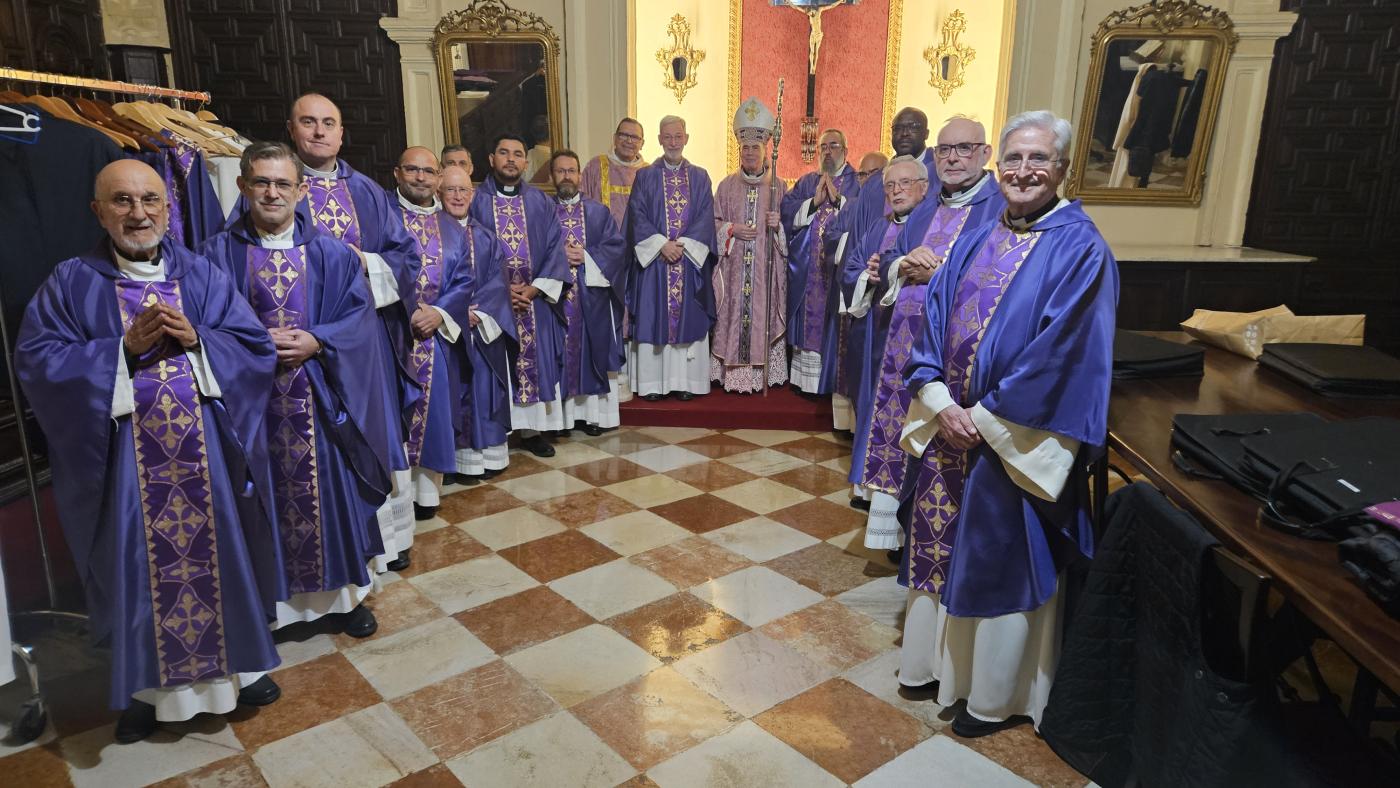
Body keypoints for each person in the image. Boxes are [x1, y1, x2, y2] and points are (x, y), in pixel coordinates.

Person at [17, 160, 284, 743]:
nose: (138, 213)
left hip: (205, 462)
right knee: (137, 571)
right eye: (122, 201)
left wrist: (200, 342)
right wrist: (119, 351)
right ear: (98, 211)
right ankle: (147, 693)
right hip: (126, 474)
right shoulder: (70, 282)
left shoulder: (205, 275)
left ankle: (234, 679)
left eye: (150, 200)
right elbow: (37, 363)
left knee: (221, 560)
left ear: (170, 206)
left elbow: (254, 350)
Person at [896, 110, 1118, 737]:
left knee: (1003, 556)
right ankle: (937, 671)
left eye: (1038, 160)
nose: (1023, 172)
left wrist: (984, 419)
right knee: (940, 551)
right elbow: (932, 319)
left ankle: (992, 696)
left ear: (1063, 169)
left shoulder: (1081, 249)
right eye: (1014, 160)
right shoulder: (976, 235)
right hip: (950, 429)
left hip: (1012, 442)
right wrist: (938, 401)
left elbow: (1065, 353)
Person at [201, 140, 390, 636]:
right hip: (253, 410)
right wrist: (253, 345)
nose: (271, 192)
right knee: (262, 498)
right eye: (261, 182)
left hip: (322, 403)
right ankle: (274, 607)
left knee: (332, 494)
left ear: (302, 190)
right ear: (242, 187)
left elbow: (360, 321)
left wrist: (317, 339)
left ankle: (343, 601)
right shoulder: (214, 255)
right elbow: (203, 328)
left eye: (283, 183)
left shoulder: (331, 254)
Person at [852, 117, 1005, 555]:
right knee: (900, 431)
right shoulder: (925, 208)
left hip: (954, 357)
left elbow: (1000, 279)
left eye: (964, 148)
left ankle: (939, 540)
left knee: (941, 447)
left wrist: (940, 273)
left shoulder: (998, 209)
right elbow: (892, 259)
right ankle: (900, 535)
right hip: (901, 351)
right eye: (945, 150)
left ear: (984, 153)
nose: (953, 158)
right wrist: (903, 265)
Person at [285, 92, 419, 575]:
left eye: (328, 123)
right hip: (296, 346)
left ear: (342, 133)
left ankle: (387, 539)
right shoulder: (277, 188)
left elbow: (406, 258)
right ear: (293, 129)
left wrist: (366, 262)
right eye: (308, 122)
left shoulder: (367, 192)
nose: (319, 132)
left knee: (374, 430)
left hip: (364, 342)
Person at [387, 147, 478, 534]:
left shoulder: (452, 228)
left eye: (428, 171)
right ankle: (396, 502)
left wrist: (438, 312)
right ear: (397, 173)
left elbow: (464, 279)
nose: (421, 177)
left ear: (439, 178)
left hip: (434, 338)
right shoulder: (384, 218)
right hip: (392, 335)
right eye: (413, 170)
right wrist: (404, 312)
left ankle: (426, 495)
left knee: (434, 414)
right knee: (394, 417)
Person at [470, 132, 570, 457]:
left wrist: (535, 288)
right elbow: (466, 251)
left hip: (533, 302)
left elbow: (556, 247)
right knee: (496, 366)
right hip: (493, 306)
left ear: (526, 162)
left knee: (534, 364)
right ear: (491, 160)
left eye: (517, 154)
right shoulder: (475, 201)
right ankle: (498, 431)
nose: (510, 159)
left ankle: (531, 432)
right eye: (503, 153)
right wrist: (500, 292)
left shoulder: (540, 202)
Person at [839, 156, 928, 511]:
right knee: (870, 405)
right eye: (890, 185)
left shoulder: (932, 226)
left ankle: (896, 500)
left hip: (910, 338)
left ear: (923, 187)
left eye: (904, 184)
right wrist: (868, 276)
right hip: (874, 333)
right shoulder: (878, 226)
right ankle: (867, 487)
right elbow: (853, 267)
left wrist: (894, 270)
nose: (896, 192)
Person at [626, 115, 717, 401]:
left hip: (688, 261)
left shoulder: (700, 176)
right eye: (668, 137)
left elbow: (705, 216)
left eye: (678, 136)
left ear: (686, 138)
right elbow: (636, 216)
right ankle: (654, 385)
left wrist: (683, 246)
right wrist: (661, 245)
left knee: (688, 317)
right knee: (654, 317)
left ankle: (685, 383)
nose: (673, 142)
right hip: (655, 262)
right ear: (659, 140)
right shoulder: (645, 176)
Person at [438, 165, 516, 481]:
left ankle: (485, 459)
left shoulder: (486, 237)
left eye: (463, 190)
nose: (457, 196)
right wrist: (454, 311)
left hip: (481, 329)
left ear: (472, 195)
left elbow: (498, 282)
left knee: (483, 389)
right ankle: (455, 462)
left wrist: (477, 311)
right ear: (438, 192)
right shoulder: (431, 234)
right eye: (450, 190)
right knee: (452, 392)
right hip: (444, 328)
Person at [781, 128, 861, 418]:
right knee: (809, 319)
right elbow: (787, 210)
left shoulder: (857, 182)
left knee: (834, 325)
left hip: (838, 271)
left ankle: (829, 382)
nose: (828, 151)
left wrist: (840, 200)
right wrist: (813, 202)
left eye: (834, 146)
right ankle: (804, 382)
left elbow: (867, 214)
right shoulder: (807, 181)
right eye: (823, 146)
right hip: (809, 270)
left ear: (846, 150)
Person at [549, 149, 628, 434]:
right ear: (552, 175)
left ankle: (593, 417)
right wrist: (560, 255)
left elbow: (616, 248)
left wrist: (586, 256)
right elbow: (533, 251)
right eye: (561, 171)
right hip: (555, 300)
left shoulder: (597, 211)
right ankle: (560, 421)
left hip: (591, 298)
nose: (566, 176)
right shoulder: (543, 211)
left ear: (580, 175)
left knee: (592, 352)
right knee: (559, 356)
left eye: (571, 170)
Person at [711, 97, 787, 393]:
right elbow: (713, 223)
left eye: (756, 147)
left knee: (762, 313)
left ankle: (762, 370)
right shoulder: (726, 185)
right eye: (746, 147)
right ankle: (733, 373)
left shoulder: (778, 186)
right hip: (733, 269)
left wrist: (777, 224)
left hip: (764, 271)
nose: (751, 152)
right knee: (732, 312)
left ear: (765, 148)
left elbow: (789, 231)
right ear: (739, 150)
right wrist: (731, 229)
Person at [581, 117, 648, 226]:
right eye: (623, 135)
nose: (629, 141)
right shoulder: (595, 166)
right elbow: (581, 204)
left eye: (635, 137)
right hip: (603, 239)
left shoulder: (648, 173)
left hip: (640, 240)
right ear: (615, 138)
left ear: (642, 143)